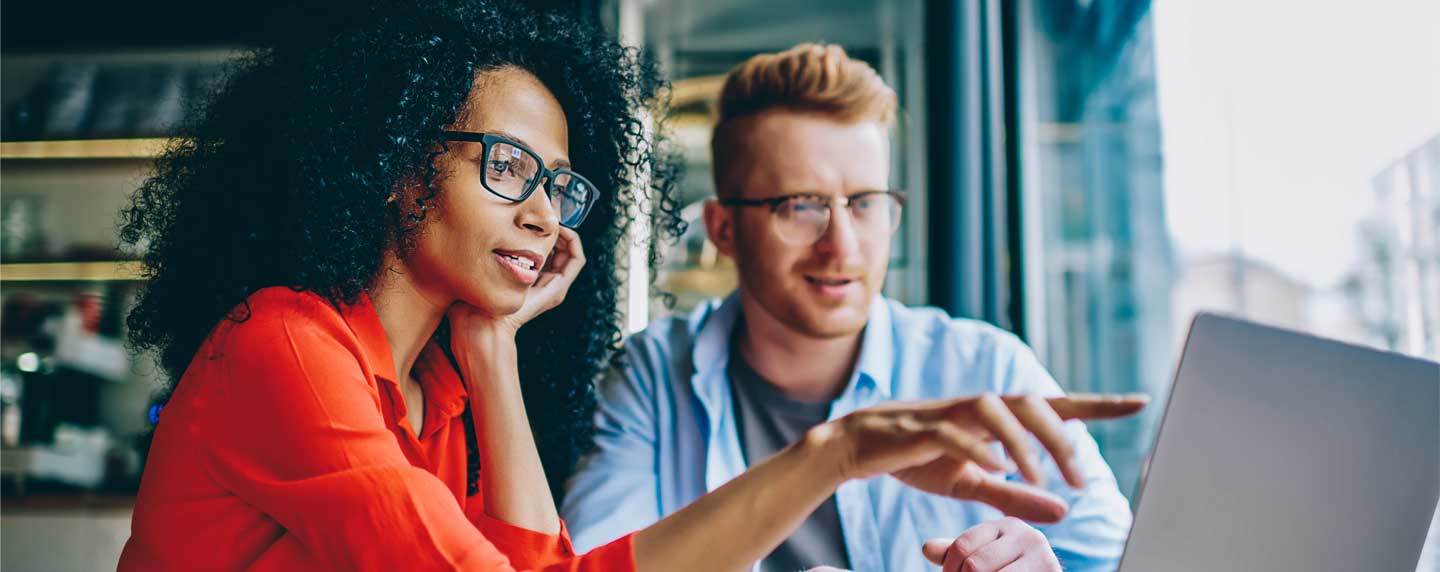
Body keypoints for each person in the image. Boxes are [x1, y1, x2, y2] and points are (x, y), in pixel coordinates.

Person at [119, 4, 1144, 568]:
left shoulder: (441, 387)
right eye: (507, 166)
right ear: (394, 164)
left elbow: (539, 567)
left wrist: (493, 347)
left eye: (559, 185)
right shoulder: (290, 347)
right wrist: (835, 453)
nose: (544, 215)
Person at [562, 43, 1139, 572]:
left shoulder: (986, 370)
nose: (843, 244)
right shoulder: (652, 377)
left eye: (865, 203)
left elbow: (1128, 560)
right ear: (724, 229)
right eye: (800, 206)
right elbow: (594, 566)